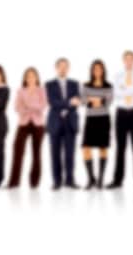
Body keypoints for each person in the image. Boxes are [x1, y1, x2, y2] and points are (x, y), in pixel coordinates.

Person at [107, 51, 133, 189]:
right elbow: (116, 93)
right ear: (123, 61)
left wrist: (125, 89)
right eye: (127, 59)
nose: (129, 62)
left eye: (131, 59)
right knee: (120, 148)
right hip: (121, 114)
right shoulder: (117, 76)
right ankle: (117, 180)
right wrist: (132, 90)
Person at [8, 67, 47, 188]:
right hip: (23, 123)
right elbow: (16, 107)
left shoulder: (42, 90)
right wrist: (31, 107)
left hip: (38, 124)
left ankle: (34, 182)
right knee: (17, 151)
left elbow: (43, 105)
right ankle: (14, 181)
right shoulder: (21, 91)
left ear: (36, 77)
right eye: (28, 75)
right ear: (25, 78)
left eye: (33, 75)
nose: (30, 77)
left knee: (36, 153)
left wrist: (28, 105)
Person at [45, 58, 81, 190]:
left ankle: (70, 180)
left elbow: (77, 102)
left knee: (70, 153)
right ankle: (57, 181)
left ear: (68, 68)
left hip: (70, 122)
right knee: (54, 153)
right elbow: (52, 102)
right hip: (55, 122)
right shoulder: (49, 84)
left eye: (65, 66)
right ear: (56, 68)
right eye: (60, 66)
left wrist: (67, 107)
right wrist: (68, 103)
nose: (63, 69)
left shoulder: (74, 83)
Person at [81, 60, 113, 190]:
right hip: (90, 119)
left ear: (103, 70)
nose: (97, 71)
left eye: (100, 68)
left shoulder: (108, 85)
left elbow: (109, 102)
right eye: (95, 69)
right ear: (92, 71)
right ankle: (91, 178)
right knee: (86, 148)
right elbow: (83, 101)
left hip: (104, 119)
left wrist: (93, 100)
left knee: (103, 147)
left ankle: (100, 179)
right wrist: (100, 100)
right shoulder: (86, 85)